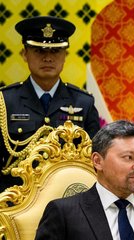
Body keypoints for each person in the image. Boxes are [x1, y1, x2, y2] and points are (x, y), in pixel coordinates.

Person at [1, 16, 101, 191]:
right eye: (39, 51)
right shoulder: (5, 102)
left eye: (55, 51)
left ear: (65, 55)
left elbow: (97, 159)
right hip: (15, 200)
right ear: (24, 54)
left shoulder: (83, 102)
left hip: (68, 197)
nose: (48, 58)